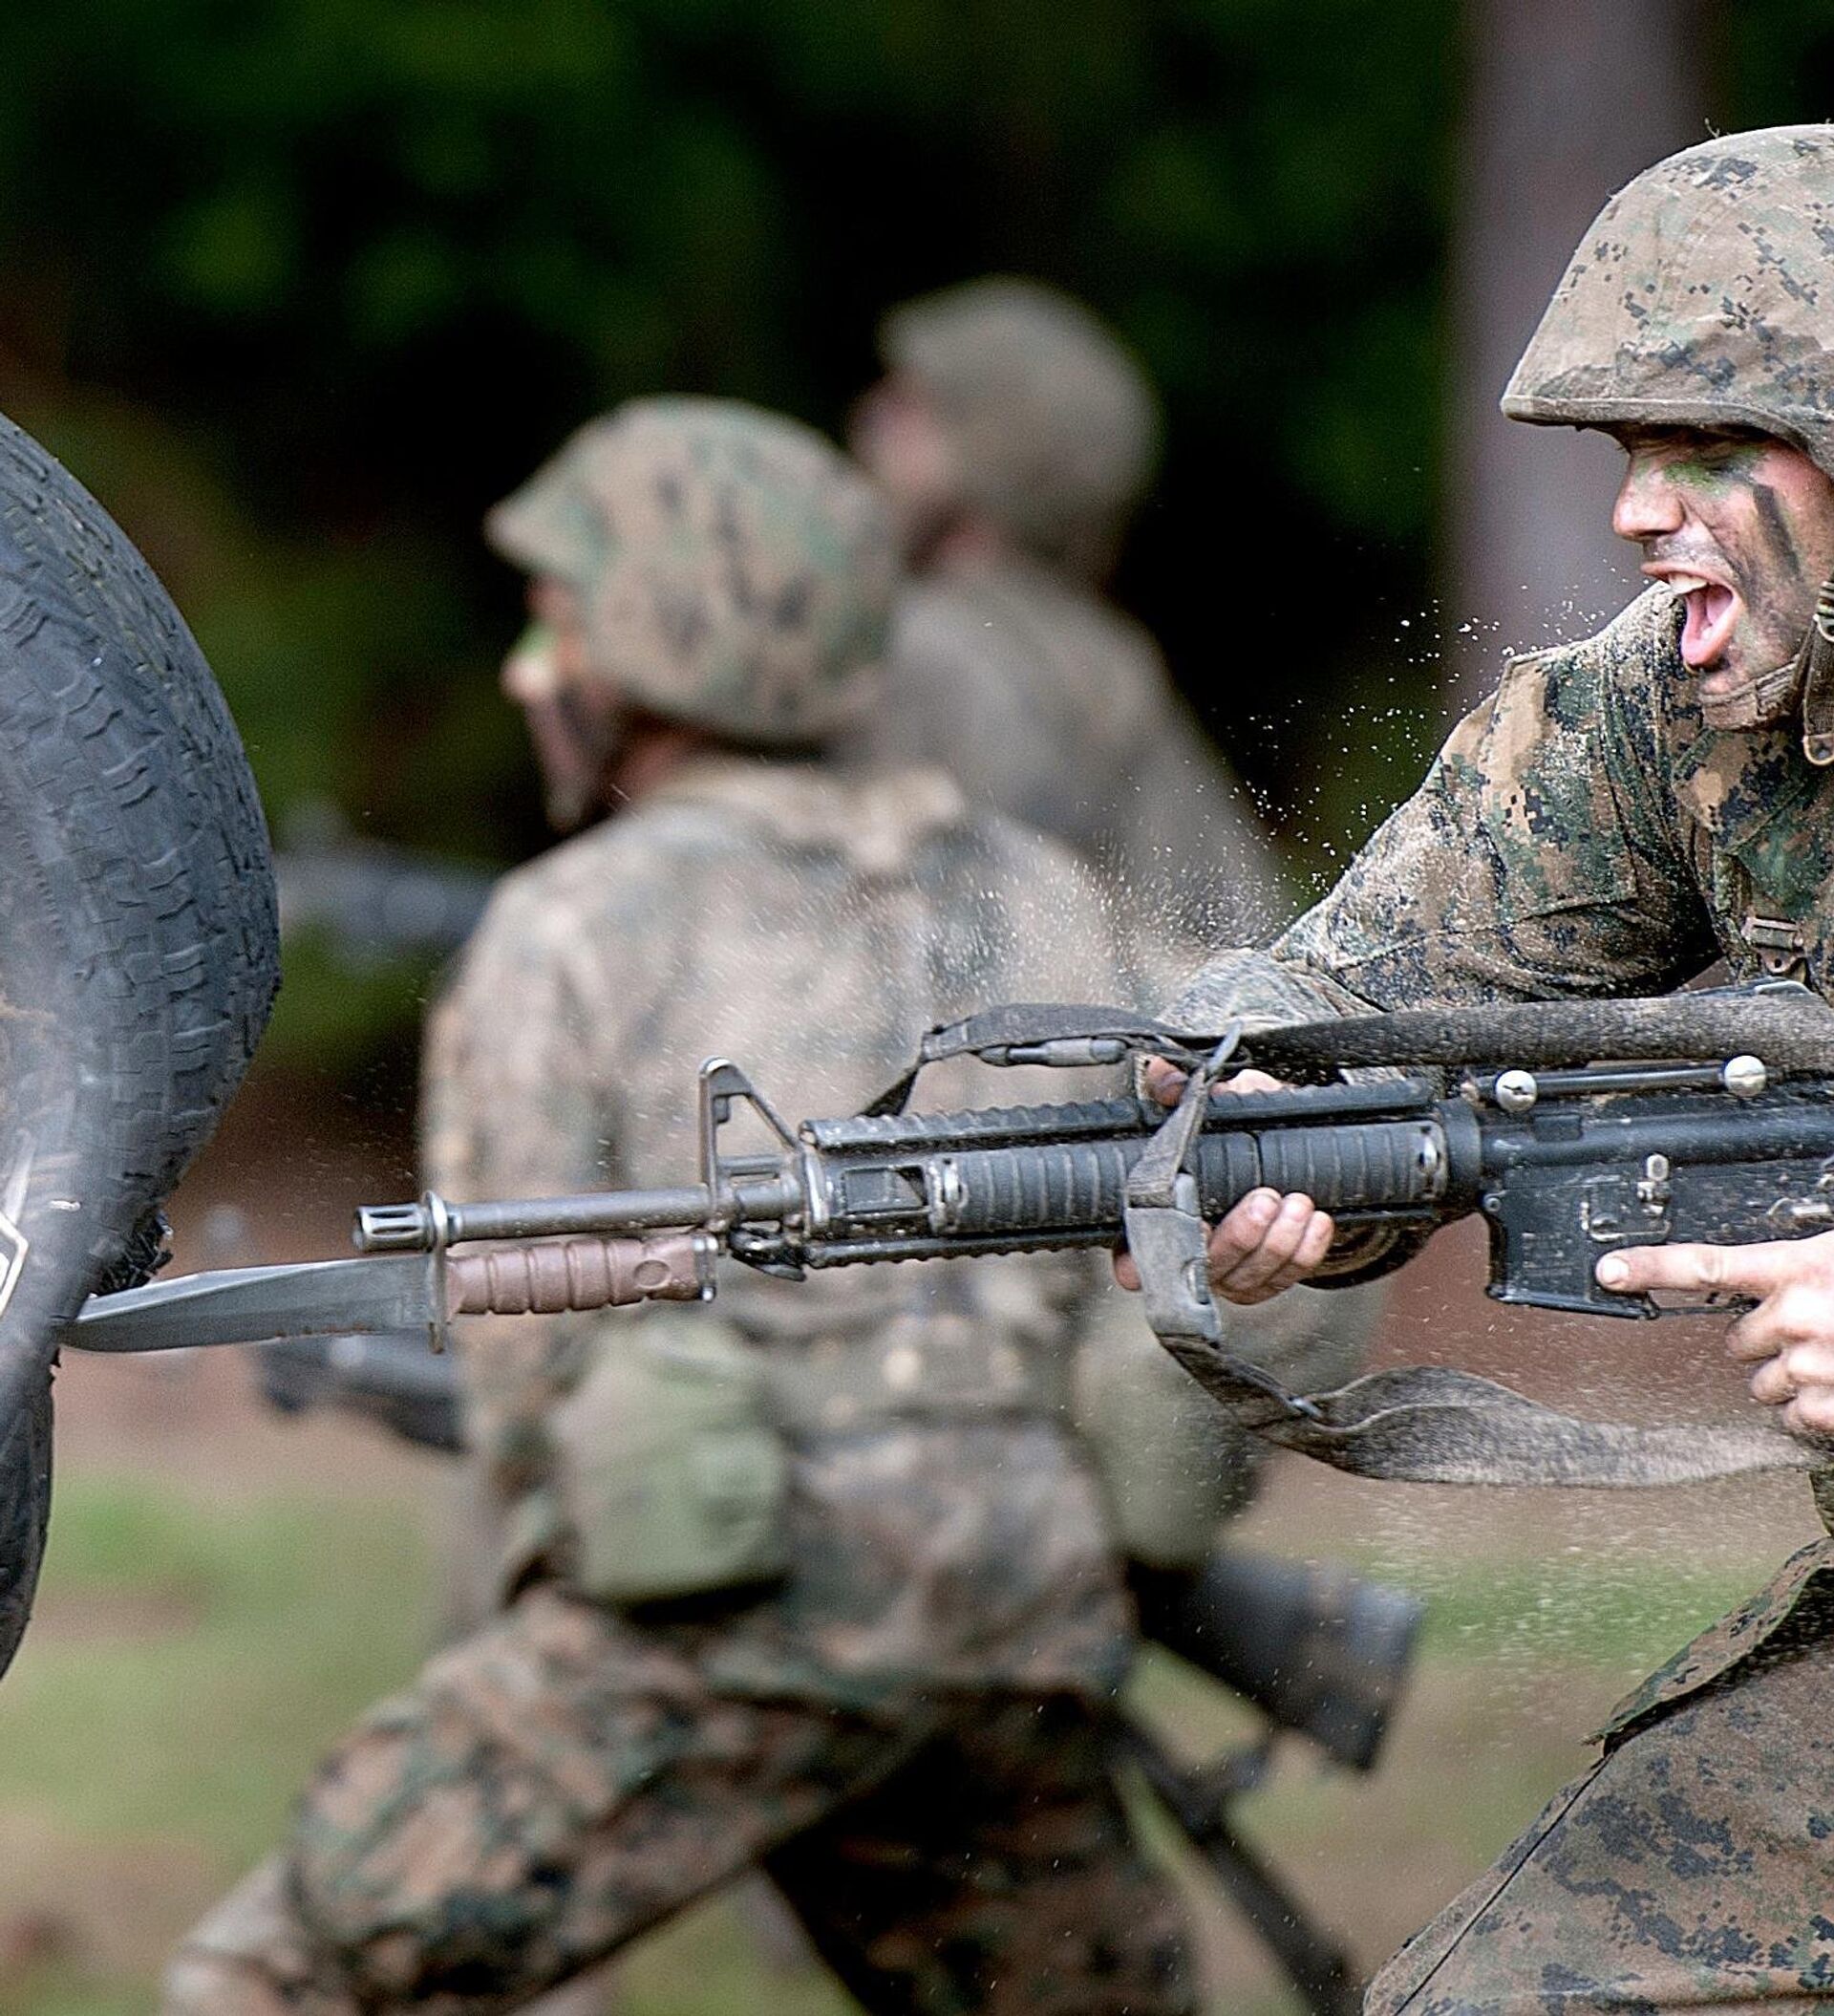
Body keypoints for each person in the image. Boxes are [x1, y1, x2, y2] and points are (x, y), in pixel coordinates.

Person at [165, 397, 1225, 2016]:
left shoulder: (571, 926)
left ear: (652, 648)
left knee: (272, 1971)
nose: (529, 671)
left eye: (557, 620)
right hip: (1022, 1613)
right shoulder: (1042, 893)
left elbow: (525, 1355)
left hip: (726, 1626)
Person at [1136, 124, 1834, 2012]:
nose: (1636, 511)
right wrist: (1258, 1111)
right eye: (1626, 455)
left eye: (1712, 447)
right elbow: (1371, 993)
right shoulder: (1683, 705)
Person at [843, 275, 1287, 950]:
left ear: (993, 452)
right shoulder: (1114, 662)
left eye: (912, 406)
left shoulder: (912, 648)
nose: (870, 419)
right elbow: (1247, 932)